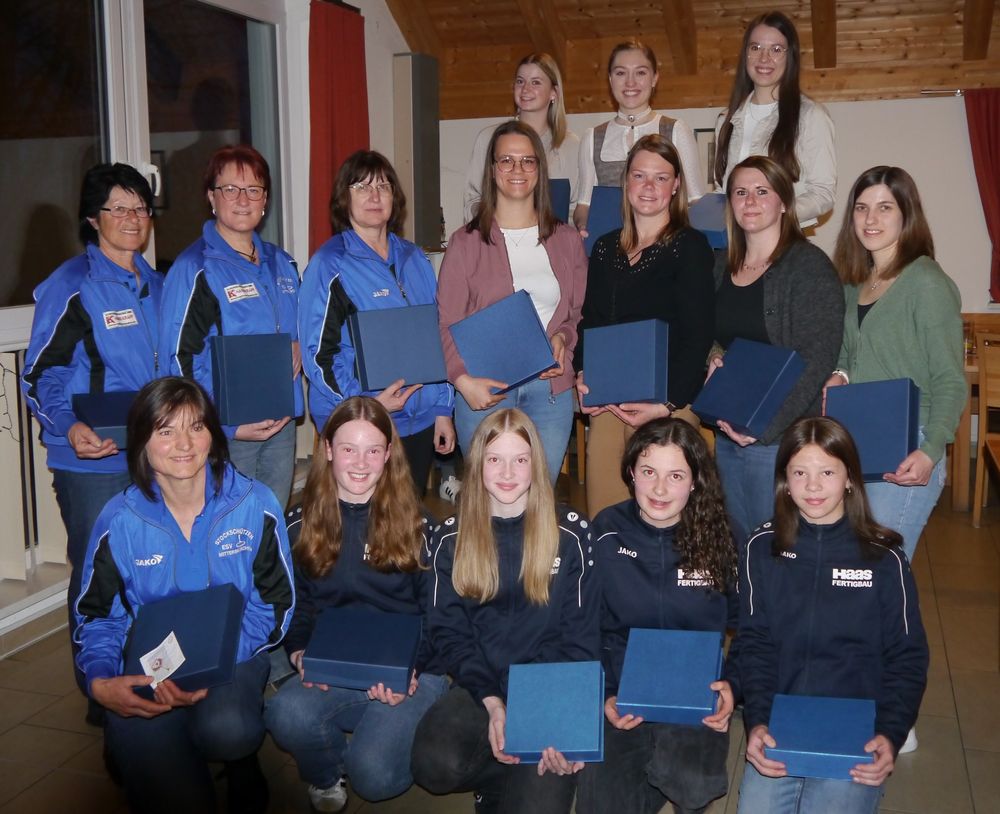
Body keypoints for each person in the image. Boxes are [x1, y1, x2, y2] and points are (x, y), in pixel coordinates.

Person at [73, 376, 295, 814]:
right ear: (141, 440)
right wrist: (100, 681)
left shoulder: (254, 504)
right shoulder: (119, 520)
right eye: (165, 430)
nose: (184, 444)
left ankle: (240, 760)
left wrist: (212, 661)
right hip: (152, 665)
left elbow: (275, 605)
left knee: (229, 729)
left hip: (234, 655)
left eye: (196, 426)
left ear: (213, 435)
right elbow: (97, 616)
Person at [21, 163, 163, 707]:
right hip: (91, 461)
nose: (132, 218)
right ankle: (99, 692)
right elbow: (42, 374)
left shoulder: (156, 284)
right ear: (92, 218)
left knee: (148, 572)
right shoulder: (73, 285)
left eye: (140, 208)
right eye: (118, 208)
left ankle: (149, 676)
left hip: (151, 455)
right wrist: (70, 426)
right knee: (99, 577)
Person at [264, 397, 449, 812]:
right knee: (283, 714)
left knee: (374, 777)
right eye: (349, 449)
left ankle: (395, 730)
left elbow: (440, 616)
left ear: (388, 454)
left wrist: (412, 670)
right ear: (328, 449)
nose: (361, 463)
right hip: (338, 663)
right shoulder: (300, 523)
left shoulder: (420, 526)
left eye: (373, 450)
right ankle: (330, 769)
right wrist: (299, 651)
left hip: (414, 668)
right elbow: (298, 605)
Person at [410, 408, 599, 814]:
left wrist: (554, 715)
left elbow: (581, 635)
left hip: (549, 688)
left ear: (537, 464)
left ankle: (515, 773)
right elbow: (449, 633)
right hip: (482, 684)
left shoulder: (571, 533)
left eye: (520, 459)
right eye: (495, 459)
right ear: (477, 464)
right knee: (430, 763)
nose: (508, 472)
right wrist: (494, 701)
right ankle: (498, 775)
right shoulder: (450, 538)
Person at [736, 416, 928, 814]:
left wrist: (889, 734)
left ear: (850, 479)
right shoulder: (761, 547)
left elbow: (908, 657)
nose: (812, 486)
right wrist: (758, 721)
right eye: (799, 473)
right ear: (784, 481)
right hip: (781, 719)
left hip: (854, 727)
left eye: (827, 472)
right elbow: (754, 644)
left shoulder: (885, 558)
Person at [576, 418, 738, 814]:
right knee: (600, 807)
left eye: (676, 475)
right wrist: (604, 693)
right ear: (631, 472)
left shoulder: (721, 536)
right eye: (648, 472)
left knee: (693, 785)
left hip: (694, 690)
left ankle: (668, 771)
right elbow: (583, 625)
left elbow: (755, 629)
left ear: (695, 481)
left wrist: (734, 685)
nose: (660, 489)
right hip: (624, 687)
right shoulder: (605, 531)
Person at [827, 166, 964, 563]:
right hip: (860, 436)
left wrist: (931, 450)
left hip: (910, 442)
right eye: (861, 208)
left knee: (878, 566)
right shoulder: (855, 281)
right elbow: (848, 354)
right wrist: (839, 374)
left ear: (907, 215)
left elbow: (950, 379)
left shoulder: (926, 282)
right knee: (854, 569)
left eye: (885, 207)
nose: (870, 219)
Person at [299, 150, 455, 497]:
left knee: (407, 515)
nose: (374, 196)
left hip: (420, 419)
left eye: (383, 187)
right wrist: (366, 404)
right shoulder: (329, 265)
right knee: (363, 519)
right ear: (344, 198)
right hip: (359, 423)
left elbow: (436, 337)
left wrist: (442, 408)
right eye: (362, 187)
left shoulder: (415, 258)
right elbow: (318, 356)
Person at [438, 120, 587, 483]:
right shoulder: (465, 242)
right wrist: (462, 381)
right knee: (487, 502)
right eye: (506, 160)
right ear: (492, 170)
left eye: (527, 160)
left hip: (550, 392)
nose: (517, 169)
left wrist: (563, 338)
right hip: (485, 390)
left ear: (539, 168)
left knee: (540, 501)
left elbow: (577, 314)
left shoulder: (567, 240)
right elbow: (445, 322)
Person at [575, 135, 715, 515]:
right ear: (626, 182)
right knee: (605, 513)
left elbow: (698, 335)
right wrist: (583, 373)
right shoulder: (604, 248)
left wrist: (667, 403)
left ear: (676, 186)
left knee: (663, 514)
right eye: (639, 176)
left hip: (668, 399)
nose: (649, 186)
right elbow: (591, 321)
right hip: (610, 397)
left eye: (660, 177)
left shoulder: (690, 247)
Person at [160, 144, 302, 507]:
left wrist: (300, 344)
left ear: (265, 199)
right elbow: (179, 362)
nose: (242, 199)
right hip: (225, 430)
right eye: (230, 189)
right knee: (226, 526)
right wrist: (224, 425)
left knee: (270, 518)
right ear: (212, 197)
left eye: (253, 189)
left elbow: (303, 326)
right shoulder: (195, 269)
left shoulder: (282, 263)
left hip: (281, 421)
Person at [708, 155, 843, 535]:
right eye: (740, 192)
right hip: (729, 428)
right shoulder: (720, 265)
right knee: (739, 540)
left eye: (762, 191)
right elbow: (709, 333)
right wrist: (713, 355)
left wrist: (767, 426)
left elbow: (817, 358)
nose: (750, 201)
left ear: (784, 202)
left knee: (778, 543)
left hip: (780, 437)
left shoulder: (809, 267)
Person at [714, 11, 836, 227]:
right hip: (733, 243)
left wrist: (776, 216)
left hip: (785, 240)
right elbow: (721, 190)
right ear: (745, 54)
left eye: (776, 49)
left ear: (790, 57)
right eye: (755, 48)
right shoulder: (726, 120)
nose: (764, 58)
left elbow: (823, 194)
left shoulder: (811, 116)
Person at [574, 40, 704, 236]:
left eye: (640, 72)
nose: (630, 82)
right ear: (610, 79)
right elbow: (584, 204)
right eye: (620, 73)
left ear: (654, 78)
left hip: (665, 244)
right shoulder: (592, 137)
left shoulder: (676, 130)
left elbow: (696, 200)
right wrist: (583, 226)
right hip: (610, 245)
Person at [465, 53, 580, 221]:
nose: (525, 89)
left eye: (535, 82)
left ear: (554, 92)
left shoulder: (570, 145)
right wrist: (492, 218)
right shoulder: (489, 138)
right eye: (520, 81)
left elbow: (576, 208)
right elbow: (473, 199)